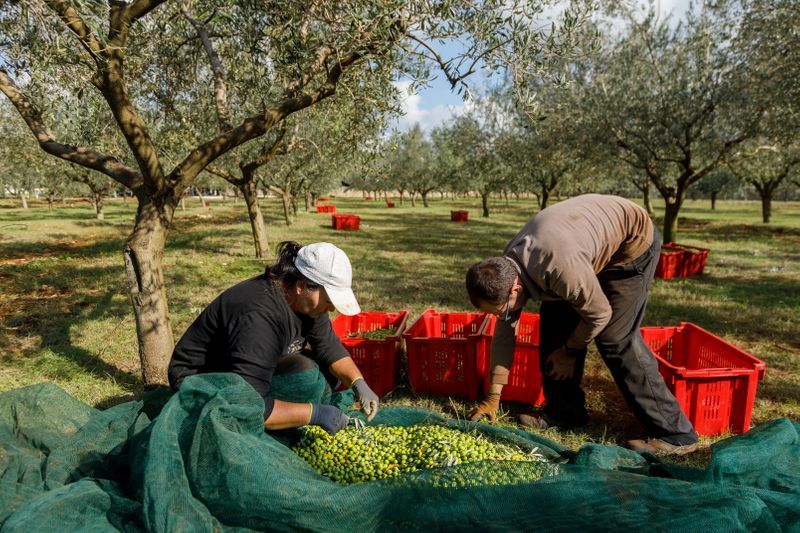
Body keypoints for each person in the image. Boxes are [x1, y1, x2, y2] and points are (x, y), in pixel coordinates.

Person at [465, 194, 698, 456]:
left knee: (615, 339)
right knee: (554, 327)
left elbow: (599, 313)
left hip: (630, 246)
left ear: (515, 289)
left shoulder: (560, 268)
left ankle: (675, 433)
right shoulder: (508, 267)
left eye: (501, 310)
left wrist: (569, 351)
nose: (503, 315)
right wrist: (493, 397)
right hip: (579, 247)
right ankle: (564, 413)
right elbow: (505, 332)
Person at [168, 241, 379, 436]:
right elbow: (249, 405)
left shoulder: (309, 304)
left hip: (251, 362)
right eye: (329, 299)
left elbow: (329, 348)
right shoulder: (259, 316)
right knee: (301, 381)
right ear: (301, 286)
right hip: (203, 380)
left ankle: (288, 415)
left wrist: (358, 383)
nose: (332, 307)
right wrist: (315, 415)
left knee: (318, 371)